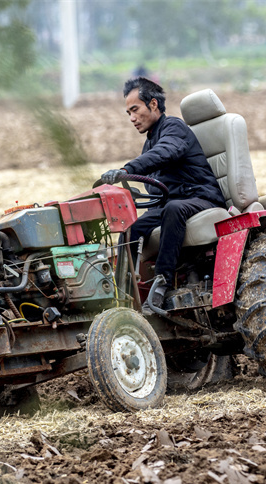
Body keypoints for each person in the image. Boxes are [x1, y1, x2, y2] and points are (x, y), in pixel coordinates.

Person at [101, 77, 224, 310]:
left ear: (154, 104)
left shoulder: (174, 128)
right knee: (131, 230)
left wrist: (127, 170)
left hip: (202, 198)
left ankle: (162, 284)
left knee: (173, 208)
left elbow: (165, 152)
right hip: (173, 205)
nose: (132, 118)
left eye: (135, 110)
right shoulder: (149, 144)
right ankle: (121, 295)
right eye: (128, 113)